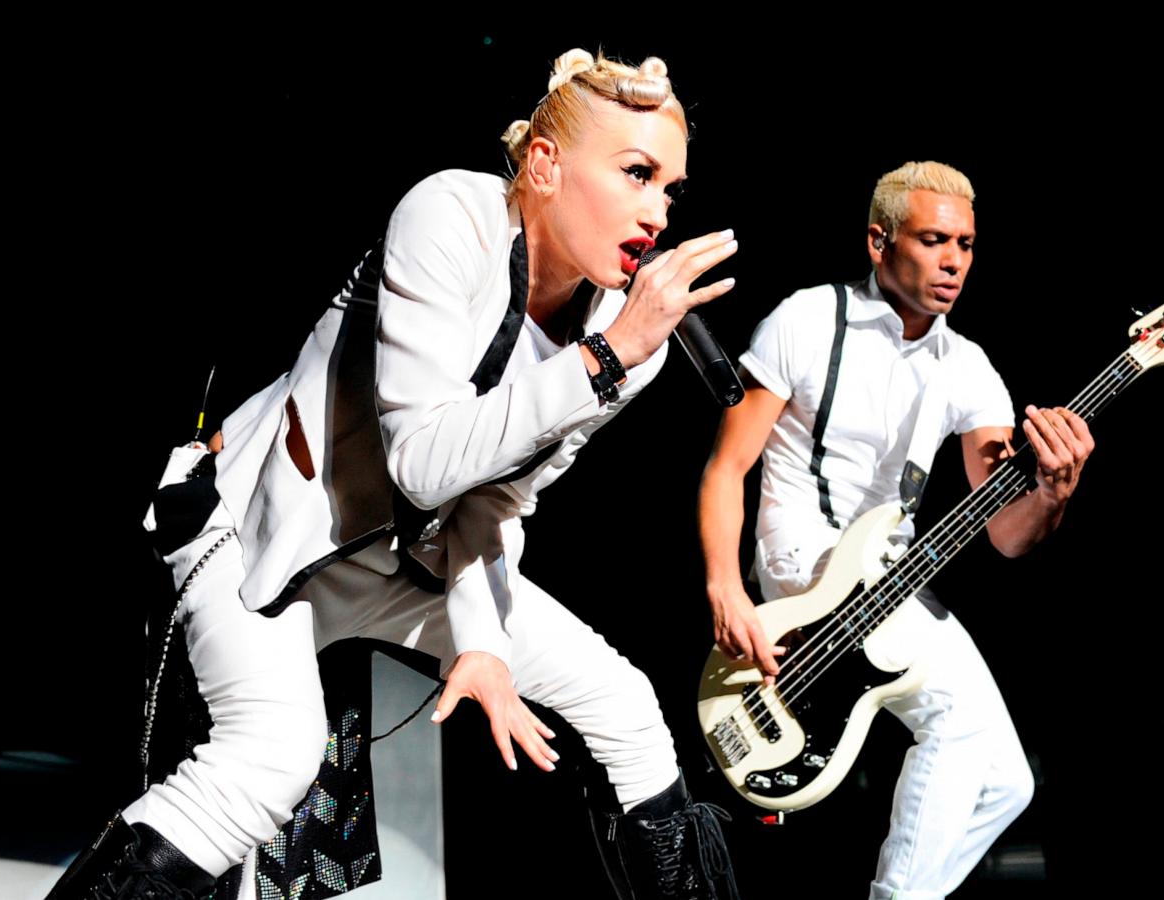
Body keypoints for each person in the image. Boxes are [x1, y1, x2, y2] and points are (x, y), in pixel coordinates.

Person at [49, 49, 741, 900]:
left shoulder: (624, 348)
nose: (655, 212)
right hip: (265, 532)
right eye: (636, 174)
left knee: (627, 707)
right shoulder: (453, 213)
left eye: (669, 190)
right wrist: (605, 356)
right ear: (545, 165)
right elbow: (421, 459)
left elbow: (496, 497)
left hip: (408, 565)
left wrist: (483, 644)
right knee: (269, 755)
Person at [698, 161, 1099, 899]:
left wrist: (1053, 492)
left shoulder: (970, 369)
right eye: (935, 239)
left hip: (888, 573)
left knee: (1007, 781)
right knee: (957, 726)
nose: (954, 261)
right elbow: (727, 468)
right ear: (879, 242)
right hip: (800, 556)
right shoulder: (807, 319)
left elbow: (1008, 534)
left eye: (968, 245)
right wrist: (725, 583)